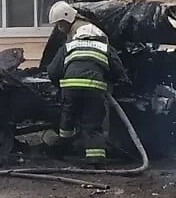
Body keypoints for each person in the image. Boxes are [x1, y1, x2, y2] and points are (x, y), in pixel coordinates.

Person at [46, 23, 128, 165]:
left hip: (70, 88)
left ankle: (61, 151)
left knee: (67, 122)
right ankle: (95, 159)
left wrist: (58, 86)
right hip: (94, 89)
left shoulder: (69, 46)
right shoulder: (105, 48)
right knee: (93, 124)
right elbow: (118, 71)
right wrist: (112, 80)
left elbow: (53, 70)